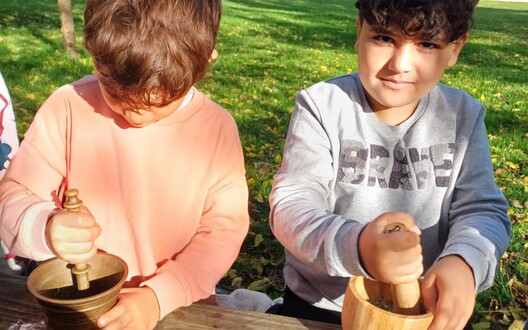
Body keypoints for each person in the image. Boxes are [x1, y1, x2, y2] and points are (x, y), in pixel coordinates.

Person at [0, 0, 249, 329]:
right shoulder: (68, 107)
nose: (132, 115)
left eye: (157, 102)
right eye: (115, 94)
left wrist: (159, 297)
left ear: (207, 57)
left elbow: (222, 232)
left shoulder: (216, 129)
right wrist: (43, 226)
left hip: (177, 306)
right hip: (74, 308)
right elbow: (11, 196)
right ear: (96, 55)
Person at [269, 1, 511, 329]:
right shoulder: (322, 106)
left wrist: (465, 262)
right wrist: (357, 246)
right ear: (359, 31)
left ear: (455, 49)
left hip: (425, 310)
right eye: (384, 38)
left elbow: (482, 210)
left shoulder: (462, 117)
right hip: (322, 306)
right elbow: (293, 205)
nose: (400, 65)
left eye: (427, 44)